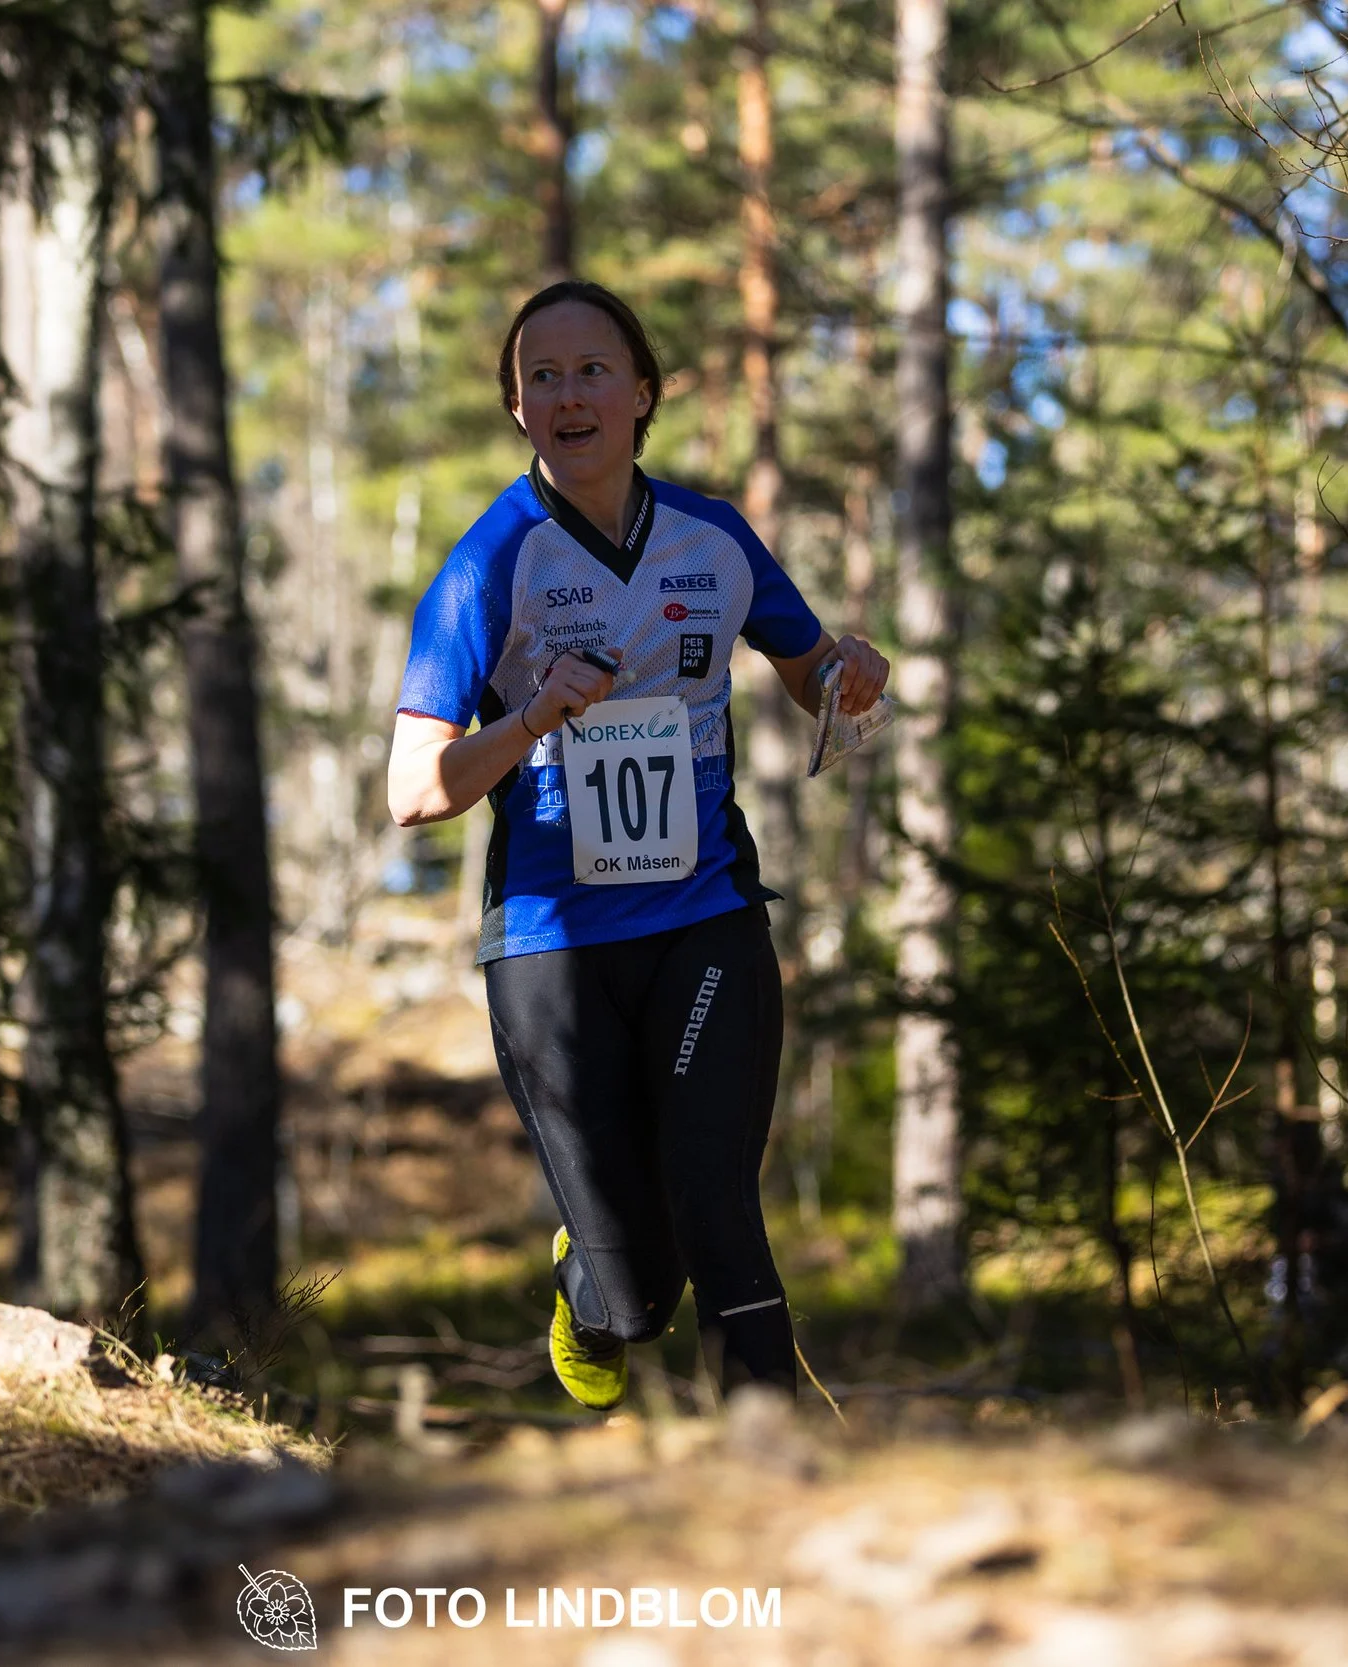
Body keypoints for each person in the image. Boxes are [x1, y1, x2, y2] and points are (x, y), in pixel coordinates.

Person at [386, 279, 891, 1409]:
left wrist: (852, 670)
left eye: (592, 370)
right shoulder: (487, 564)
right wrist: (525, 720)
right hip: (552, 947)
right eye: (541, 378)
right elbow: (412, 792)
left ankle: (774, 1463)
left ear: (643, 392)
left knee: (717, 1204)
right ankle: (584, 1287)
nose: (568, 394)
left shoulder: (713, 539)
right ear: (517, 408)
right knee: (635, 1293)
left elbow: (818, 675)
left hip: (704, 917)